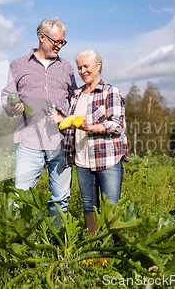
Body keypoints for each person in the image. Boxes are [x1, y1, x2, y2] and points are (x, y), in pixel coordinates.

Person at [1, 18, 78, 226]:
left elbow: (75, 101)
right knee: (21, 200)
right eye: (56, 41)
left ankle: (57, 250)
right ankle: (19, 253)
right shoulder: (18, 65)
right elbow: (7, 96)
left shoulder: (67, 68)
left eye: (63, 42)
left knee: (61, 200)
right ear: (41, 37)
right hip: (29, 141)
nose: (59, 46)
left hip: (61, 143)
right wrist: (12, 106)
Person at [51, 49, 128, 235]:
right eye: (79, 68)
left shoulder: (110, 92)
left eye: (86, 66)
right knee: (89, 207)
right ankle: (95, 250)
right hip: (82, 160)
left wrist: (89, 127)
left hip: (107, 158)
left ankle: (118, 251)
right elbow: (72, 123)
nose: (83, 71)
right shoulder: (76, 96)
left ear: (98, 65)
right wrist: (62, 119)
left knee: (111, 206)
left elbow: (117, 125)